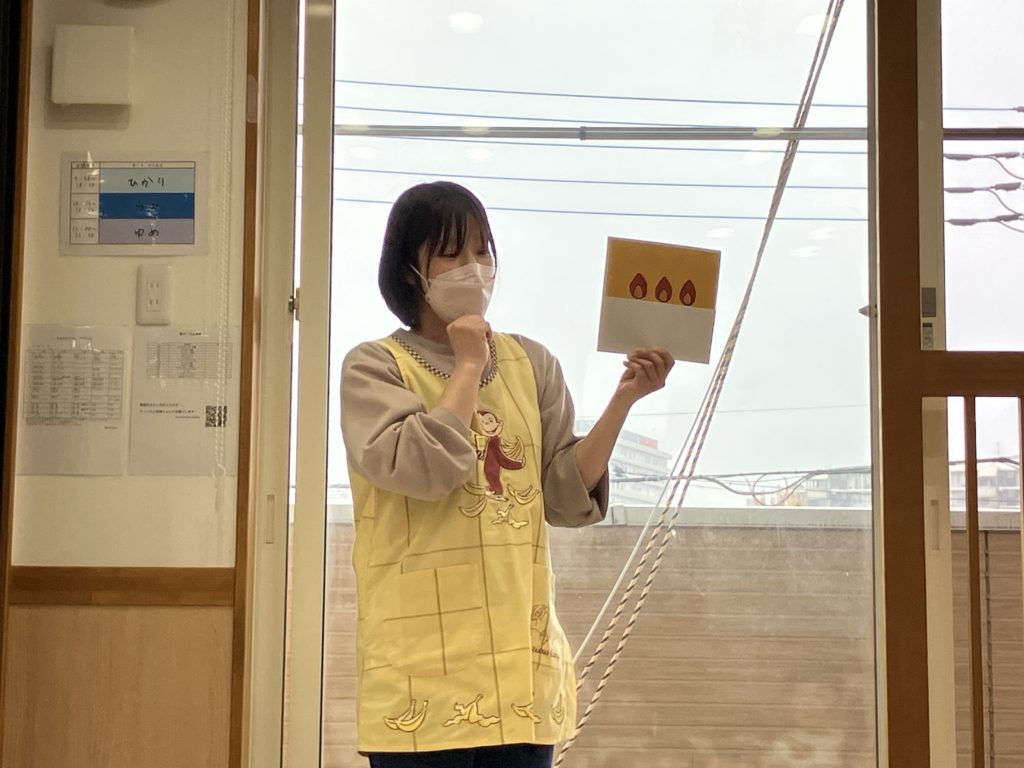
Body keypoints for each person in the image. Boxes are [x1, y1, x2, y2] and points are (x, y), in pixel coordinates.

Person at [341, 181, 674, 768]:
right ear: (410, 272)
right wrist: (469, 363)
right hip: (422, 674)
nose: (473, 267)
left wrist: (624, 400)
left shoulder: (532, 362)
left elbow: (564, 496)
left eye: (482, 250)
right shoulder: (374, 366)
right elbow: (425, 468)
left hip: (520, 666)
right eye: (451, 253)